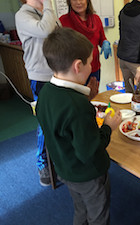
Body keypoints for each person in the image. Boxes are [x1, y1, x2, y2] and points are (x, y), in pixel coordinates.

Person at [36, 27, 122, 225]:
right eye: (90, 62)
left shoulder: (46, 93)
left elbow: (60, 126)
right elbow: (89, 152)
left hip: (66, 169)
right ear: (78, 66)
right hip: (88, 175)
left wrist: (86, 98)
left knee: (80, 210)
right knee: (97, 216)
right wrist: (108, 126)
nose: (92, 66)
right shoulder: (77, 106)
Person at [15, 0, 60, 186]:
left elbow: (59, 34)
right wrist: (49, 5)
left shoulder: (46, 13)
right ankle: (43, 164)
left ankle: (60, 159)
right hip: (40, 77)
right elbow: (46, 30)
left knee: (60, 119)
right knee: (45, 121)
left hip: (58, 73)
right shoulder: (22, 15)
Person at [59, 0, 112, 93]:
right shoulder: (63, 21)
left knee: (93, 97)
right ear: (69, 2)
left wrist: (105, 42)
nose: (78, 2)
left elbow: (102, 38)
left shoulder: (96, 19)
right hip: (75, 71)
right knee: (78, 99)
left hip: (94, 69)